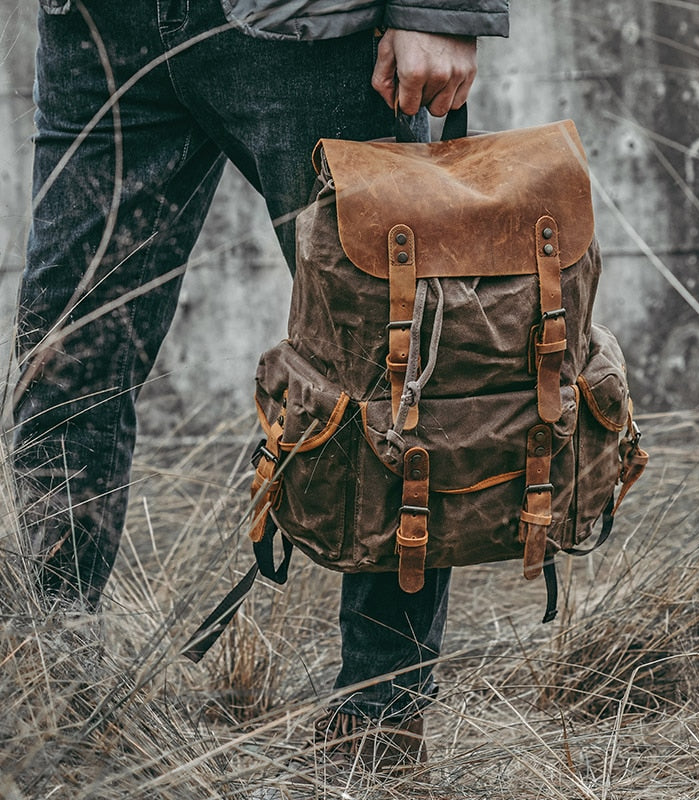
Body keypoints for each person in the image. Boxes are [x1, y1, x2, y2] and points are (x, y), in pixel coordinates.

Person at [12, 0, 508, 772]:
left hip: (311, 28)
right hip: (95, 28)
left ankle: (379, 721)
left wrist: (439, 8)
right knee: (64, 355)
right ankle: (50, 682)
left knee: (388, 361)